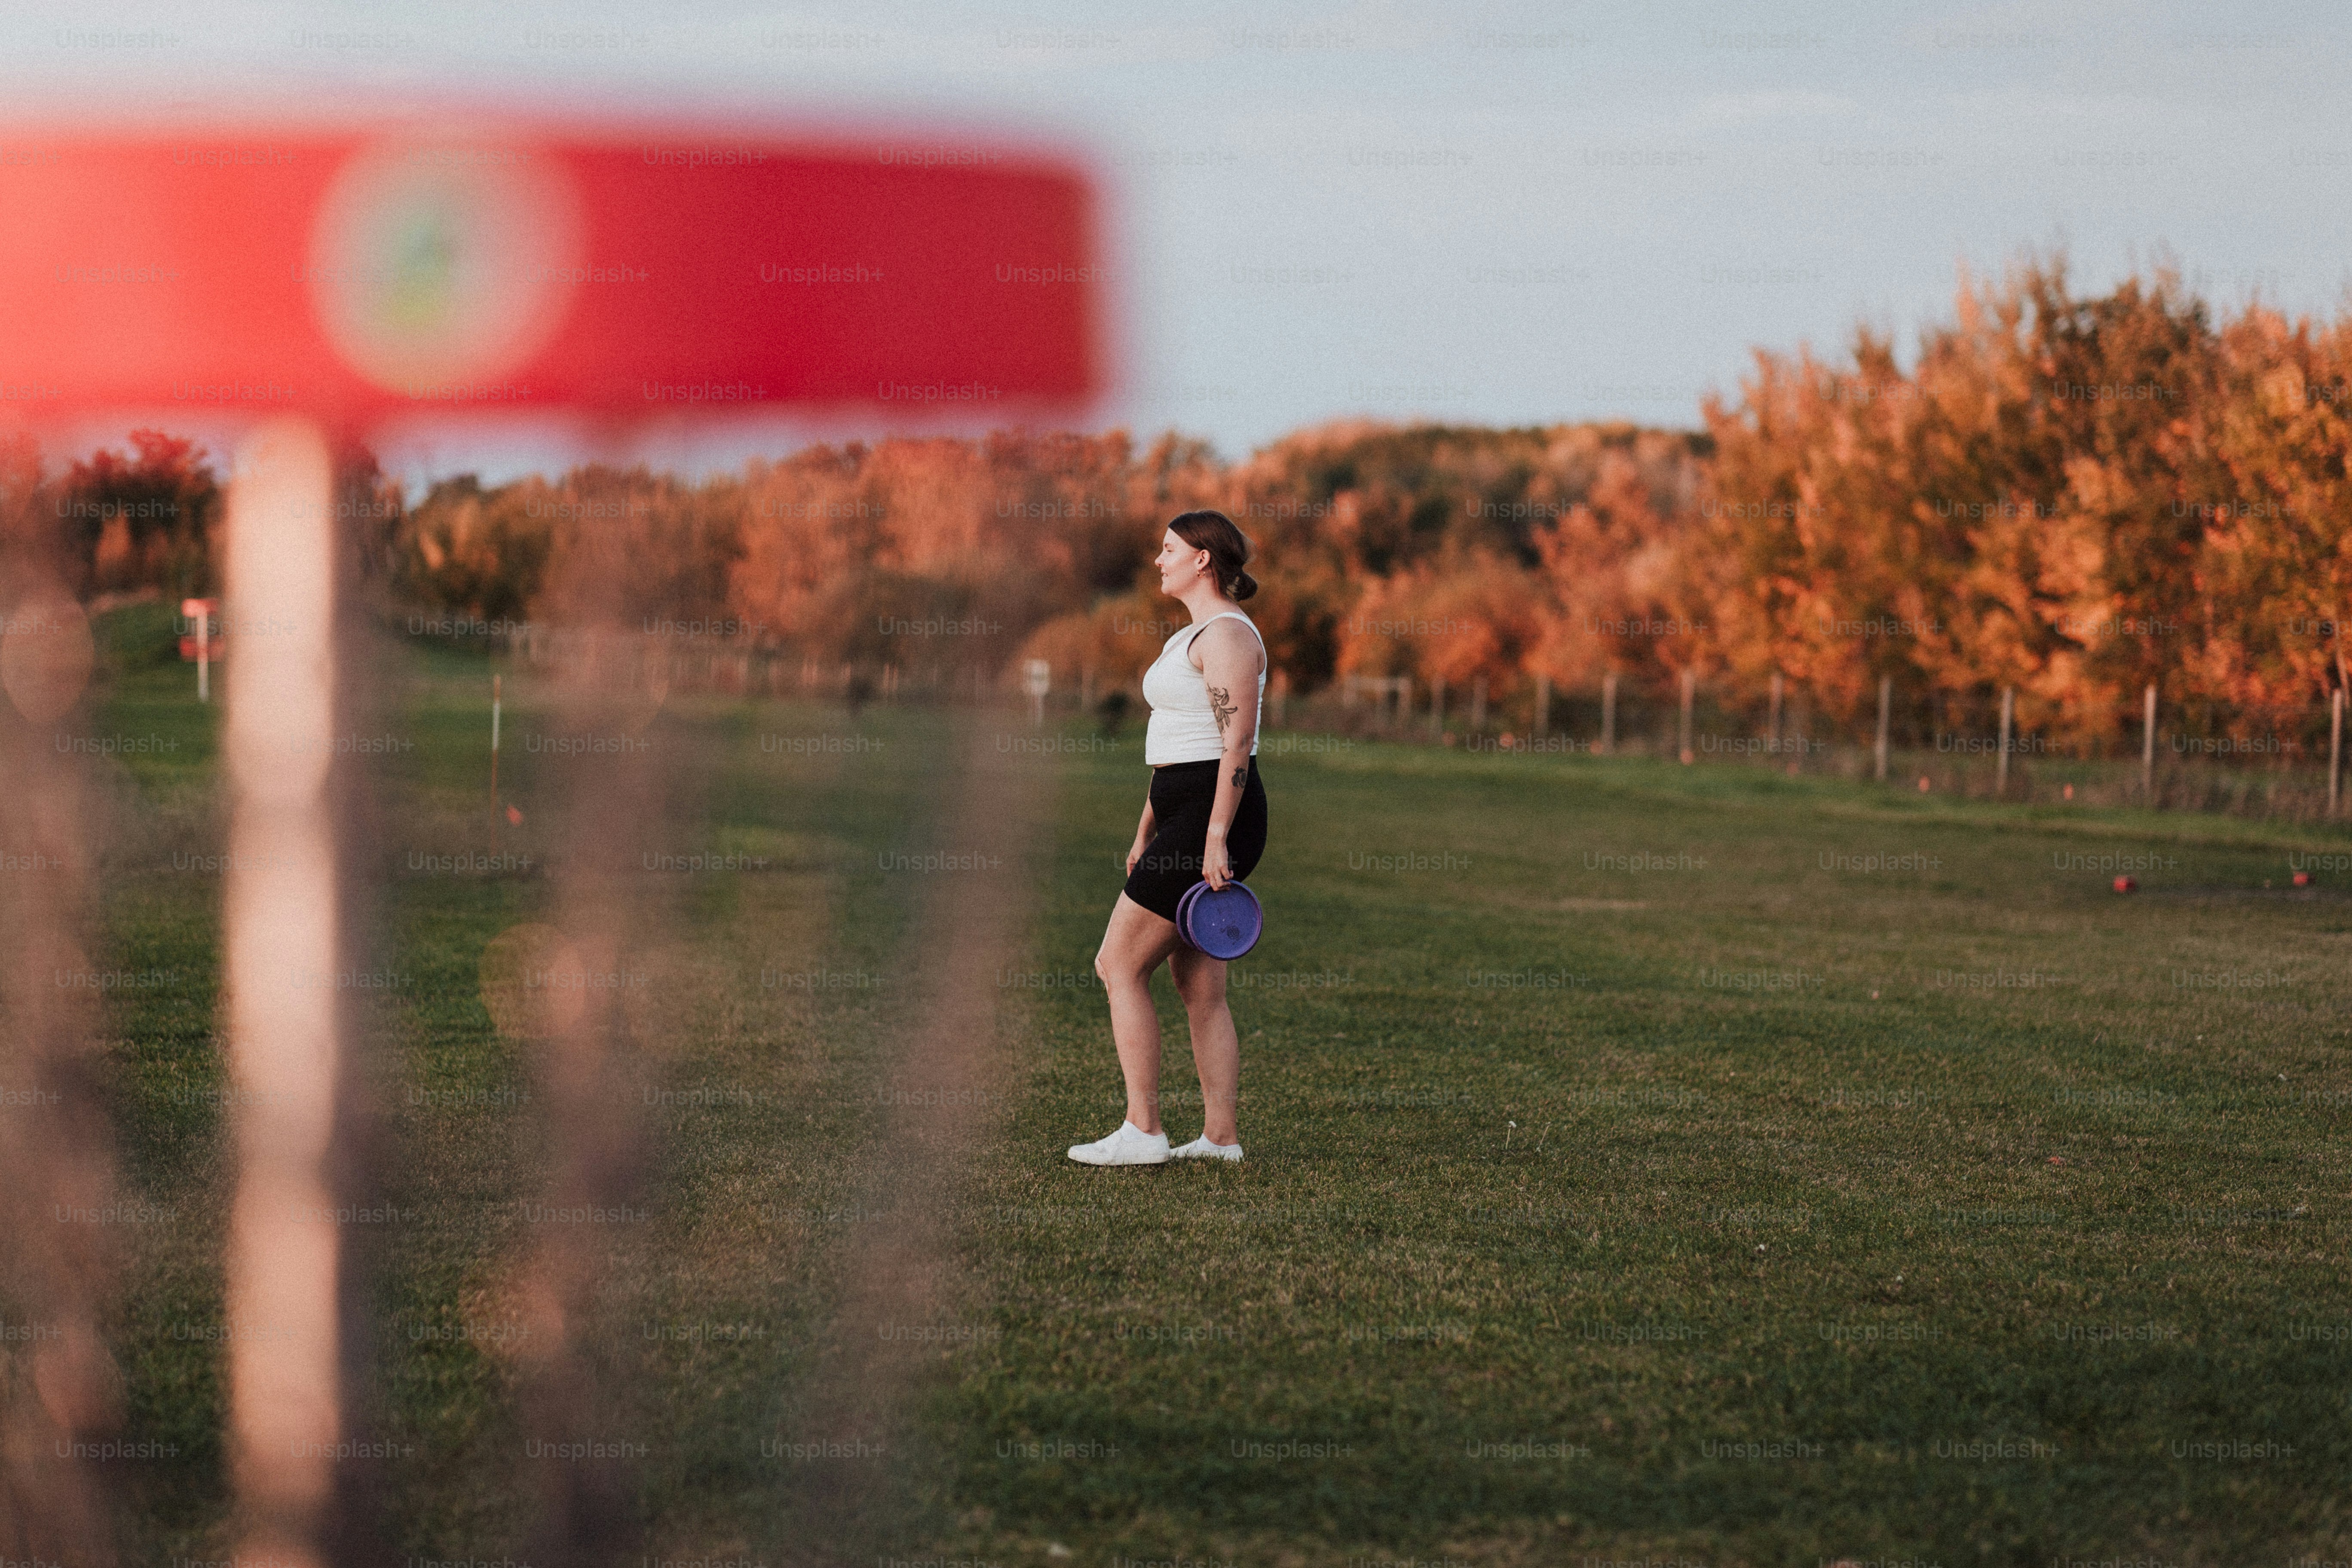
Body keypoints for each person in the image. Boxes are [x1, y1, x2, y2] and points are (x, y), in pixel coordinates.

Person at [1068, 510, 1269, 1166]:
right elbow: (1177, 748)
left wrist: (1213, 836)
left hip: (1215, 816)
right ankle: (1219, 1140)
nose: (1159, 560)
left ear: (1203, 559)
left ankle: (1143, 1130)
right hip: (1184, 813)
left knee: (1117, 965)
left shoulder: (1230, 637)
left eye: (1169, 549)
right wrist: (1145, 828)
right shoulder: (1194, 634)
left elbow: (1235, 742)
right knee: (1199, 985)